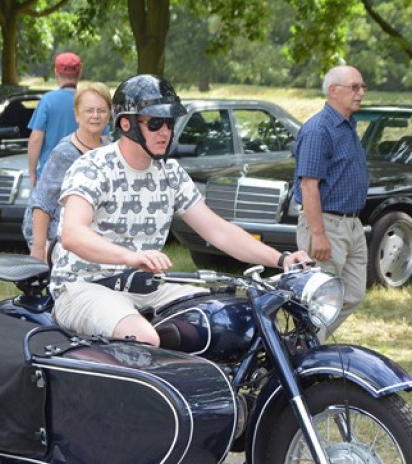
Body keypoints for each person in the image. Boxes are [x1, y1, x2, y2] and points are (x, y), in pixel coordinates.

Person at [50, 74, 311, 346]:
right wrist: (130, 257)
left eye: (169, 122)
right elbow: (73, 234)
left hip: (146, 286)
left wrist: (282, 260)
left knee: (224, 319)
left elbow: (217, 230)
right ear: (126, 124)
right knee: (144, 338)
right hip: (84, 287)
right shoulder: (93, 167)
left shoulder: (170, 173)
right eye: (155, 123)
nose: (165, 131)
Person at [293, 65, 369, 337]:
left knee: (353, 294)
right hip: (326, 224)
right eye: (354, 87)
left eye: (362, 87)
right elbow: (308, 185)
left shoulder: (347, 125)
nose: (361, 93)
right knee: (319, 301)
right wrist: (318, 235)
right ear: (333, 90)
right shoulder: (318, 130)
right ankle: (302, 354)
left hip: (351, 224)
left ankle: (309, 345)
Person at [25, 81, 111, 262]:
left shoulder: (109, 152)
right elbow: (43, 204)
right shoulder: (65, 153)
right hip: (67, 245)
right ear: (77, 115)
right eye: (89, 110)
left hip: (102, 242)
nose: (95, 116)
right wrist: (38, 250)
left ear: (109, 115)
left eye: (101, 110)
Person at [27, 52, 81, 188]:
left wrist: (32, 171)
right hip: (81, 175)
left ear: (56, 73)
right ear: (79, 74)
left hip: (49, 176)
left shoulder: (48, 101)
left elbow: (35, 139)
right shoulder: (88, 101)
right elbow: (104, 139)